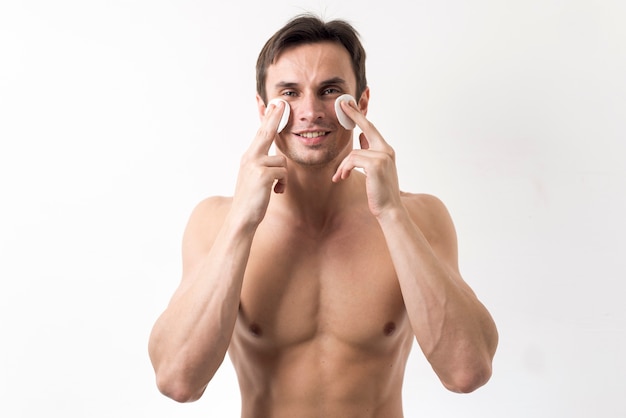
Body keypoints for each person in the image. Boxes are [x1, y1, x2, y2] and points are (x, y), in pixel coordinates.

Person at [148, 14, 498, 417]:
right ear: (264, 109)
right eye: (289, 94)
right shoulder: (215, 222)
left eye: (330, 90)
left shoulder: (419, 216)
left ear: (361, 103)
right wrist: (241, 223)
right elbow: (177, 381)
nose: (310, 111)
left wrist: (391, 213)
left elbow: (466, 372)